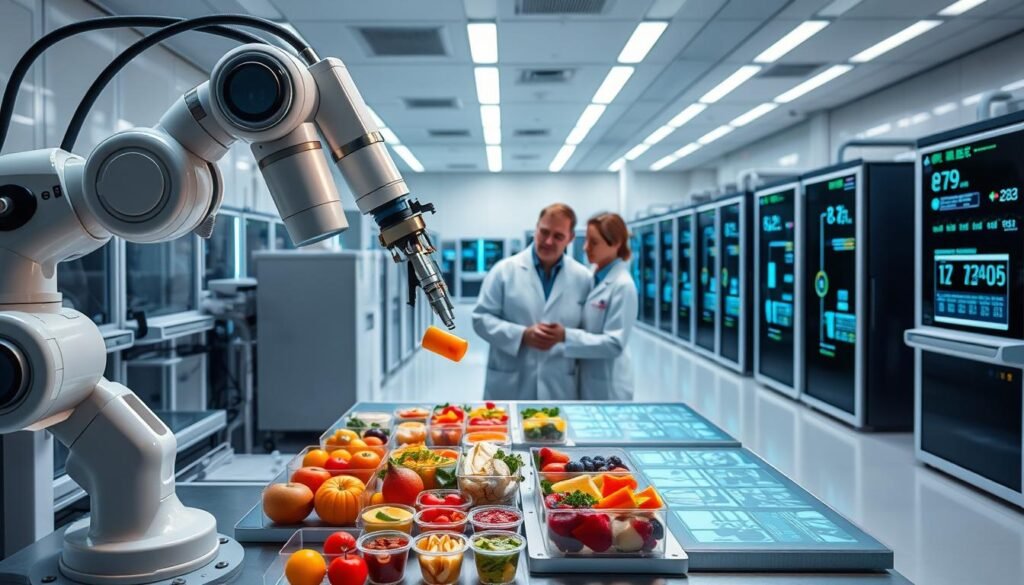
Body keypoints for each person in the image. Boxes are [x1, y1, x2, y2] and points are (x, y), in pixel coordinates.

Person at [472, 203, 592, 401]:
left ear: (570, 238)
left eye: (558, 236)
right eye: (543, 232)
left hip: (559, 381)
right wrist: (522, 335)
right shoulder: (504, 271)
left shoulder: (583, 278)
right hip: (510, 379)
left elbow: (590, 332)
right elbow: (480, 318)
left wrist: (565, 335)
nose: (548, 241)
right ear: (536, 227)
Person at [540, 212, 637, 401]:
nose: (585, 248)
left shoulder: (623, 286)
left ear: (615, 243)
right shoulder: (592, 276)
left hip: (609, 384)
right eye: (586, 241)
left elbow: (614, 344)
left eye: (594, 242)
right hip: (585, 377)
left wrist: (566, 336)